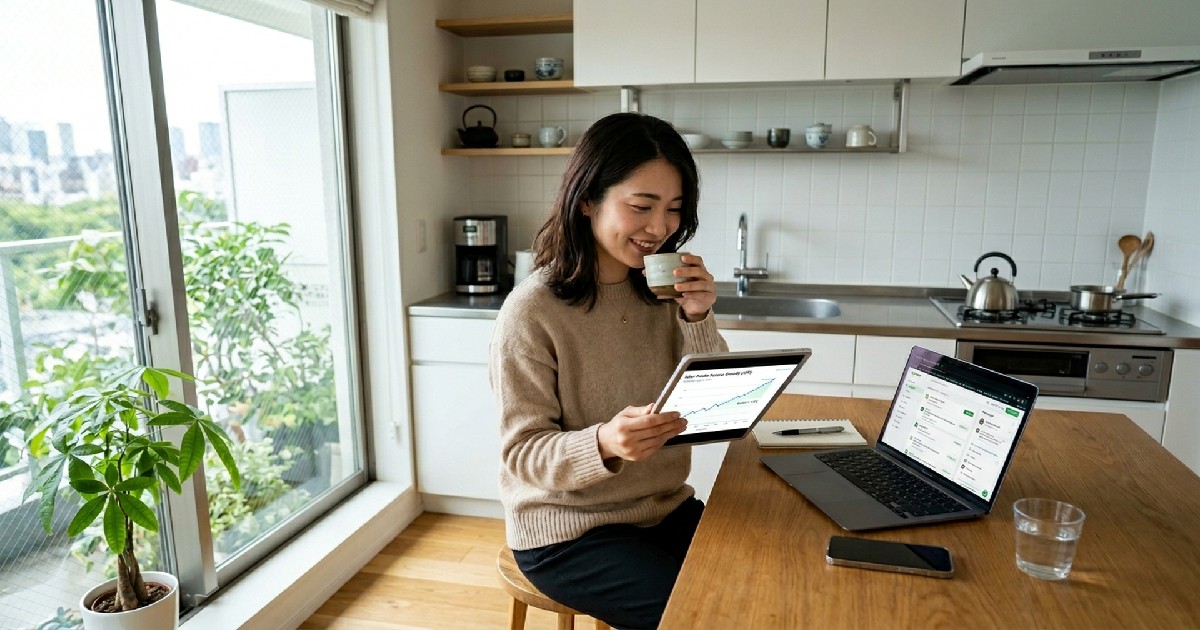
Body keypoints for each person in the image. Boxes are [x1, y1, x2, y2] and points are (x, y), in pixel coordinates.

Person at [488, 112, 728, 630]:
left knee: (760, 583)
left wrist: (698, 317)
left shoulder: (665, 294)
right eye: (641, 206)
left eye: (673, 210)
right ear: (587, 199)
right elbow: (521, 454)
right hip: (568, 534)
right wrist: (603, 443)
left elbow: (712, 405)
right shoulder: (531, 312)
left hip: (662, 508)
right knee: (704, 615)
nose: (660, 228)